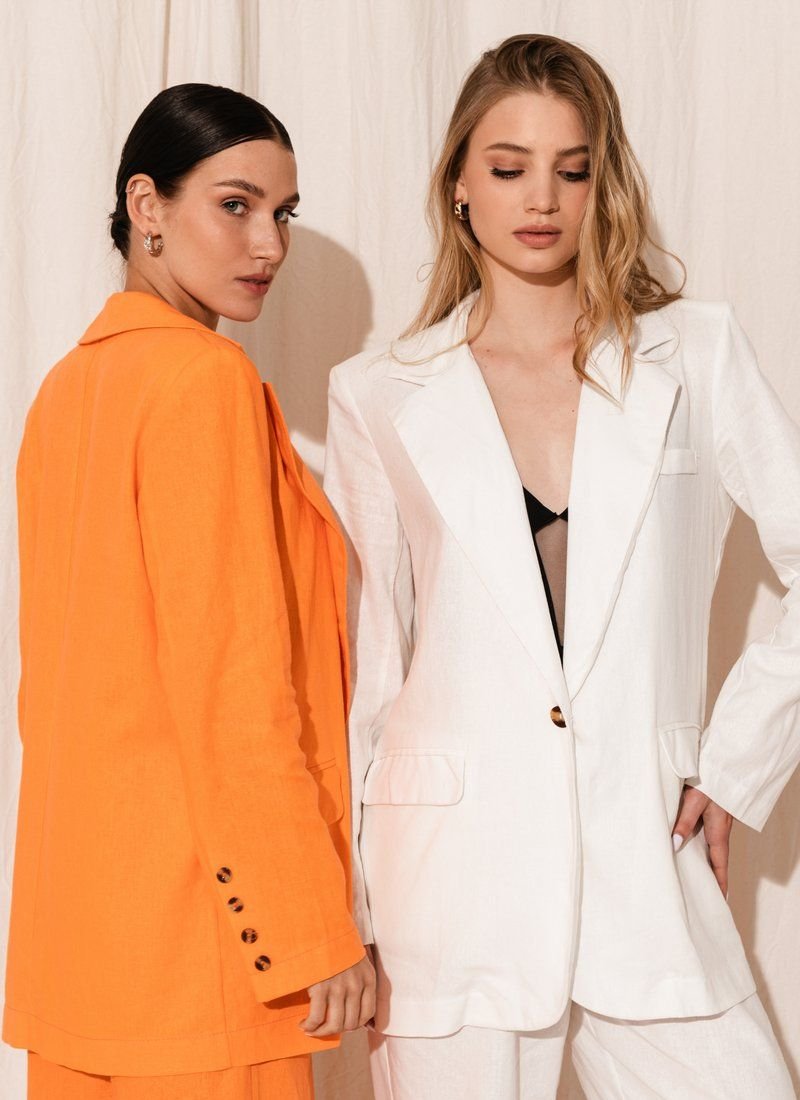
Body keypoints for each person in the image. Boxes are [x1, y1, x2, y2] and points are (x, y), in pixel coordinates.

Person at [323, 34, 798, 1099]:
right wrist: (344, 903)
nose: (540, 198)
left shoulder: (694, 353)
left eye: (571, 169)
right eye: (507, 167)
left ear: (602, 182)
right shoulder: (378, 392)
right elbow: (371, 662)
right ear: (458, 183)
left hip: (648, 865)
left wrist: (735, 763)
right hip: (446, 891)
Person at [3, 83, 374, 1099]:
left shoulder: (64, 391)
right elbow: (233, 690)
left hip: (84, 940)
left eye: (282, 214)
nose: (269, 245)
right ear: (147, 205)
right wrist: (310, 925)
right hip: (203, 948)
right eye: (236, 205)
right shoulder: (202, 380)